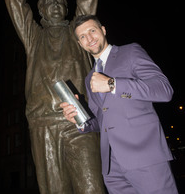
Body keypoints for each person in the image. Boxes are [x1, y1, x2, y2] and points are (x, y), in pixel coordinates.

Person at [4, 0, 106, 194]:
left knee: (92, 188)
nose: (55, 5)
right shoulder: (33, 37)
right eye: (49, 2)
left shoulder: (77, 34)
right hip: (44, 124)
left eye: (59, 1)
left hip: (80, 120)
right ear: (40, 11)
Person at [61, 14, 179, 194]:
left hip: (145, 157)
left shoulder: (130, 52)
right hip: (112, 168)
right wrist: (78, 119)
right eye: (83, 36)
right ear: (80, 44)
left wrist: (112, 84)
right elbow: (101, 121)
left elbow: (164, 89)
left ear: (103, 30)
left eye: (92, 31)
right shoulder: (89, 78)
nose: (89, 38)